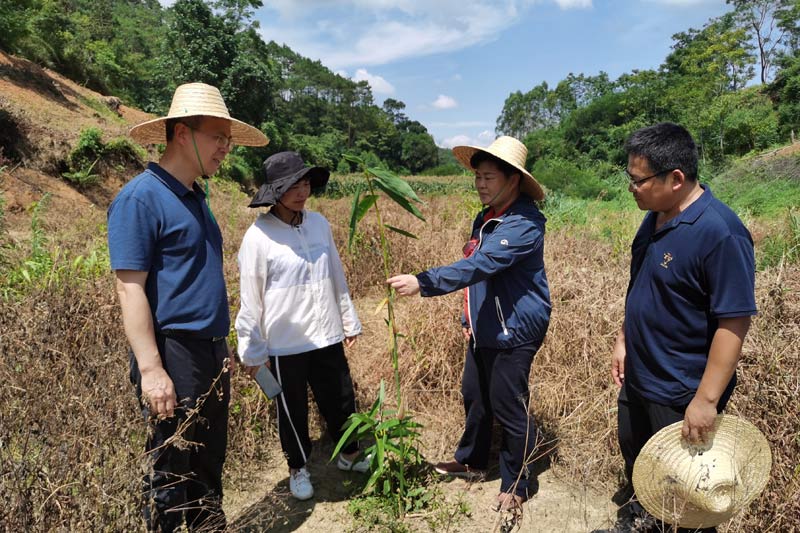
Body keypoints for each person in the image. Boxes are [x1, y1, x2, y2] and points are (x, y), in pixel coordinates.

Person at [107, 82, 268, 532]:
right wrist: (153, 370)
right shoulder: (140, 198)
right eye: (218, 137)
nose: (225, 149)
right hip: (172, 353)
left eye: (228, 140)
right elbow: (130, 289)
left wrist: (222, 346)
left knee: (206, 461)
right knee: (174, 467)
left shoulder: (197, 197)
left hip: (208, 352)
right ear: (182, 134)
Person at [594, 123, 757, 533]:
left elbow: (733, 322)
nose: (631, 188)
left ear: (676, 179)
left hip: (682, 386)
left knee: (686, 485)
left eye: (638, 180)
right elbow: (642, 284)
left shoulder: (720, 233)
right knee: (639, 459)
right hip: (641, 373)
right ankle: (640, 519)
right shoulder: (654, 217)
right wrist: (624, 338)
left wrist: (705, 401)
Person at [387, 136, 551, 514]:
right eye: (477, 176)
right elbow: (477, 275)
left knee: (508, 405)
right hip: (485, 326)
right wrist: (467, 317)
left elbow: (480, 266)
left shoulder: (523, 224)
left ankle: (517, 482)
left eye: (489, 177)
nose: (480, 184)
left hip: (515, 329)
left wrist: (423, 281)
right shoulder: (487, 217)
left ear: (513, 180)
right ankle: (472, 460)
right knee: (475, 394)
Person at [235, 151, 369, 501]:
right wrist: (253, 351)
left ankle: (349, 455)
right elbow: (250, 298)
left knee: (341, 398)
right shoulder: (259, 236)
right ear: (274, 191)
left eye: (306, 182)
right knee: (291, 409)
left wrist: (348, 319)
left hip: (325, 333)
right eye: (292, 185)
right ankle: (297, 467)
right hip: (284, 343)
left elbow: (335, 274)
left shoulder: (319, 224)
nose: (302, 191)